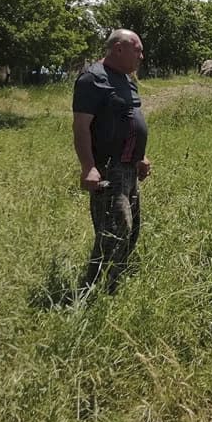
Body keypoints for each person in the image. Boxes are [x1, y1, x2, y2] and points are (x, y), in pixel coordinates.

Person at [72, 28, 152, 297]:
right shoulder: (92, 79)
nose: (142, 55)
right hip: (109, 169)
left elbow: (129, 119)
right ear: (118, 48)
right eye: (137, 49)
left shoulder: (127, 80)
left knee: (131, 232)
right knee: (113, 234)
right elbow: (81, 126)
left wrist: (141, 157)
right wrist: (88, 167)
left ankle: (114, 285)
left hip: (130, 169)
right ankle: (92, 292)